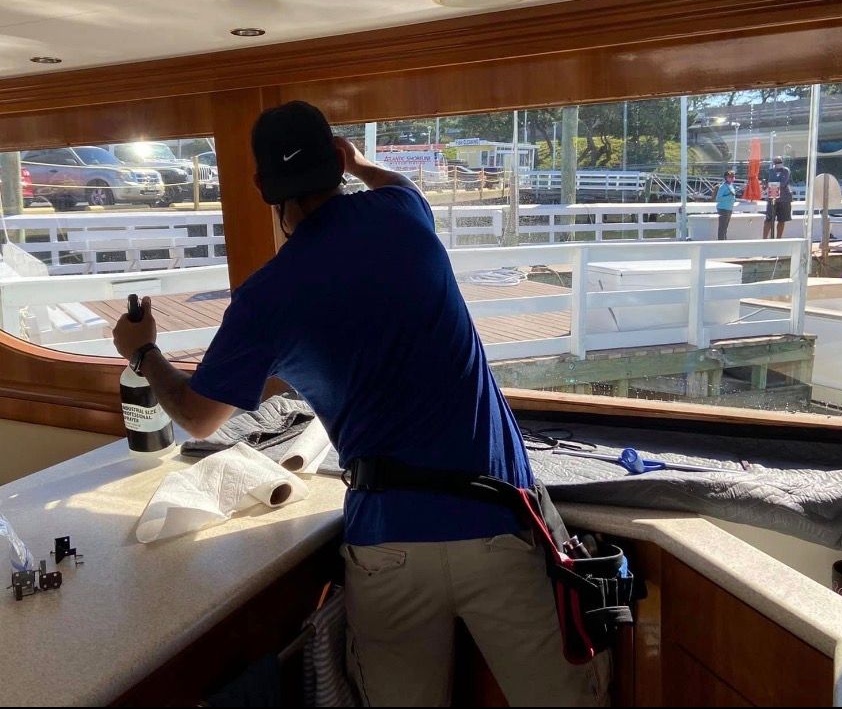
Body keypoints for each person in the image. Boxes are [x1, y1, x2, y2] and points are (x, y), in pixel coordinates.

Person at [111, 101, 599, 707]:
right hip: (496, 523)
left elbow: (195, 415)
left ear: (262, 187)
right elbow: (396, 182)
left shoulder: (266, 297)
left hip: (386, 545)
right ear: (337, 160)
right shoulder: (403, 216)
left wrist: (144, 352)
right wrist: (361, 162)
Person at [763, 156, 793, 239]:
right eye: (776, 162)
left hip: (784, 199)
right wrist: (765, 186)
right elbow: (767, 182)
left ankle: (778, 239)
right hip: (772, 198)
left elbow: (783, 183)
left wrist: (771, 185)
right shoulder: (770, 171)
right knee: (768, 219)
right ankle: (764, 239)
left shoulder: (785, 171)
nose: (778, 164)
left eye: (779, 162)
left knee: (782, 220)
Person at [716, 169, 737, 241]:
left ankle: (724, 242)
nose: (732, 178)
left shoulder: (731, 186)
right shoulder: (723, 186)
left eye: (733, 176)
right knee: (722, 227)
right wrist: (729, 197)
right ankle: (721, 243)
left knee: (725, 227)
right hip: (723, 209)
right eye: (730, 177)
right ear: (726, 177)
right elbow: (718, 198)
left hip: (729, 208)